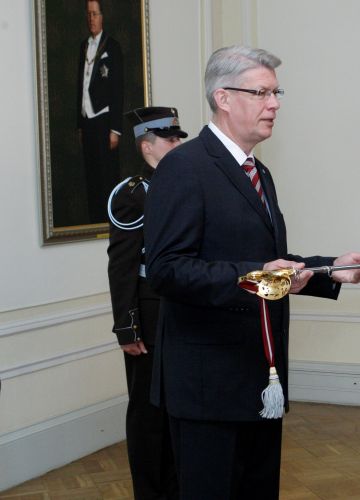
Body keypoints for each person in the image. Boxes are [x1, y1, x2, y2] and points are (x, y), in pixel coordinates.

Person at [143, 45, 360, 500]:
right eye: (261, 93)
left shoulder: (258, 171)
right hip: (207, 388)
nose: (274, 104)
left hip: (259, 379)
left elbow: (268, 260)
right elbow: (166, 270)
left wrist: (331, 270)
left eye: (276, 93)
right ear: (223, 97)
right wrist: (257, 274)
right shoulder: (184, 167)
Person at [107, 106, 187, 499]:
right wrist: (127, 327)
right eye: (169, 139)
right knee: (148, 413)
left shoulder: (183, 184)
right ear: (146, 146)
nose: (177, 144)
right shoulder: (133, 194)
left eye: (178, 138)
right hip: (149, 316)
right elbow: (122, 265)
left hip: (183, 312)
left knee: (178, 409)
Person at [77, 0, 123, 223]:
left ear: (102, 16)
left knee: (107, 176)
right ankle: (94, 221)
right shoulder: (83, 46)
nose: (91, 19)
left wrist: (115, 129)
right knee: (91, 175)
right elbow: (79, 86)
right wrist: (79, 123)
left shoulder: (112, 47)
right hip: (87, 120)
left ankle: (110, 222)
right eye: (88, 14)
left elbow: (118, 89)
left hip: (105, 121)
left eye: (95, 14)